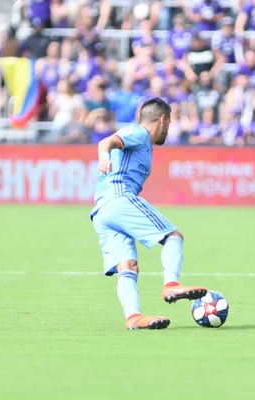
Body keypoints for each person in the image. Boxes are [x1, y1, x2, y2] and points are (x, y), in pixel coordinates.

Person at [90, 97, 207, 330]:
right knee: (173, 236)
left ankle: (133, 316)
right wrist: (104, 157)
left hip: (101, 211)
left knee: (127, 265)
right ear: (162, 119)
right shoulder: (139, 133)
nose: (169, 129)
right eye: (170, 123)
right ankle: (171, 284)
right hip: (119, 198)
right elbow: (107, 142)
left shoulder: (143, 143)